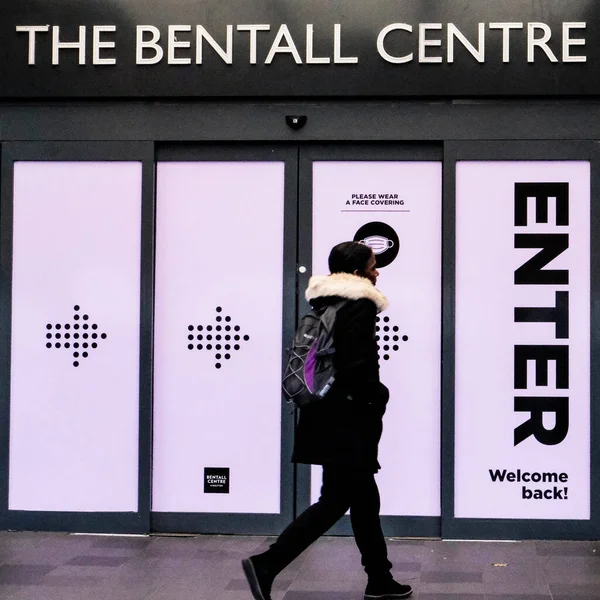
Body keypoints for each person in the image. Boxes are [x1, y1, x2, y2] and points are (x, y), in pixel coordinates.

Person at [242, 241, 412, 600]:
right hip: (348, 420)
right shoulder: (360, 305)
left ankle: (379, 579)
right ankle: (267, 564)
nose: (377, 272)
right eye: (372, 266)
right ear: (356, 273)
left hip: (325, 414)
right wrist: (377, 396)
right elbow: (355, 364)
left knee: (362, 499)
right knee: (336, 501)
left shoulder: (324, 303)